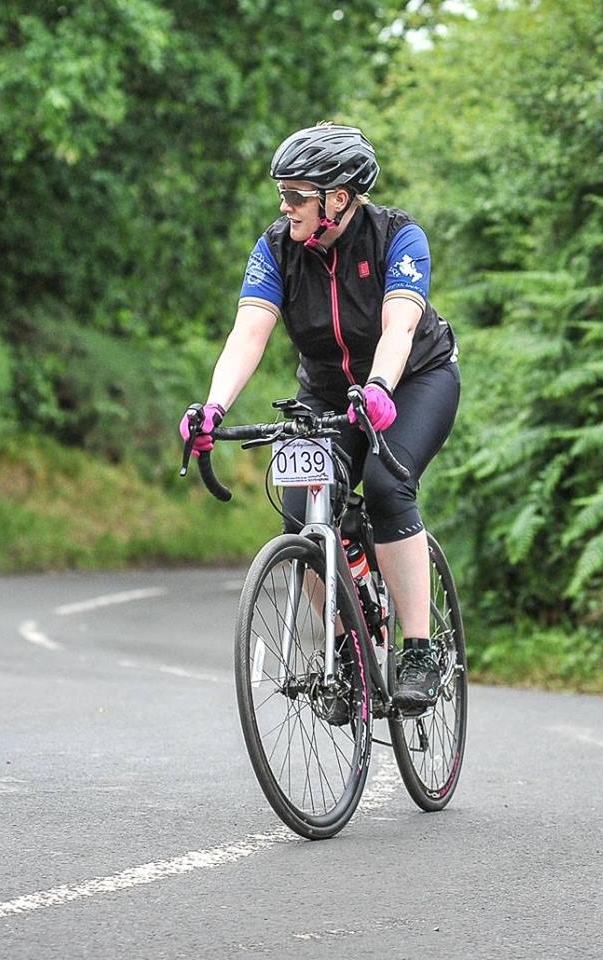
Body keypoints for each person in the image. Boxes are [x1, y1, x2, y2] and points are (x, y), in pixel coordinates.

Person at [180, 122, 460, 715]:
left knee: (387, 488)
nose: (285, 208)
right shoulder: (277, 247)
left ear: (339, 197)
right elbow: (249, 334)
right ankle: (345, 653)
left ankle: (416, 650)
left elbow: (400, 327)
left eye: (296, 195)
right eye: (282, 194)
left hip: (412, 380)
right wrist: (213, 407)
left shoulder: (397, 237)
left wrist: (381, 385)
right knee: (304, 507)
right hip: (329, 392)